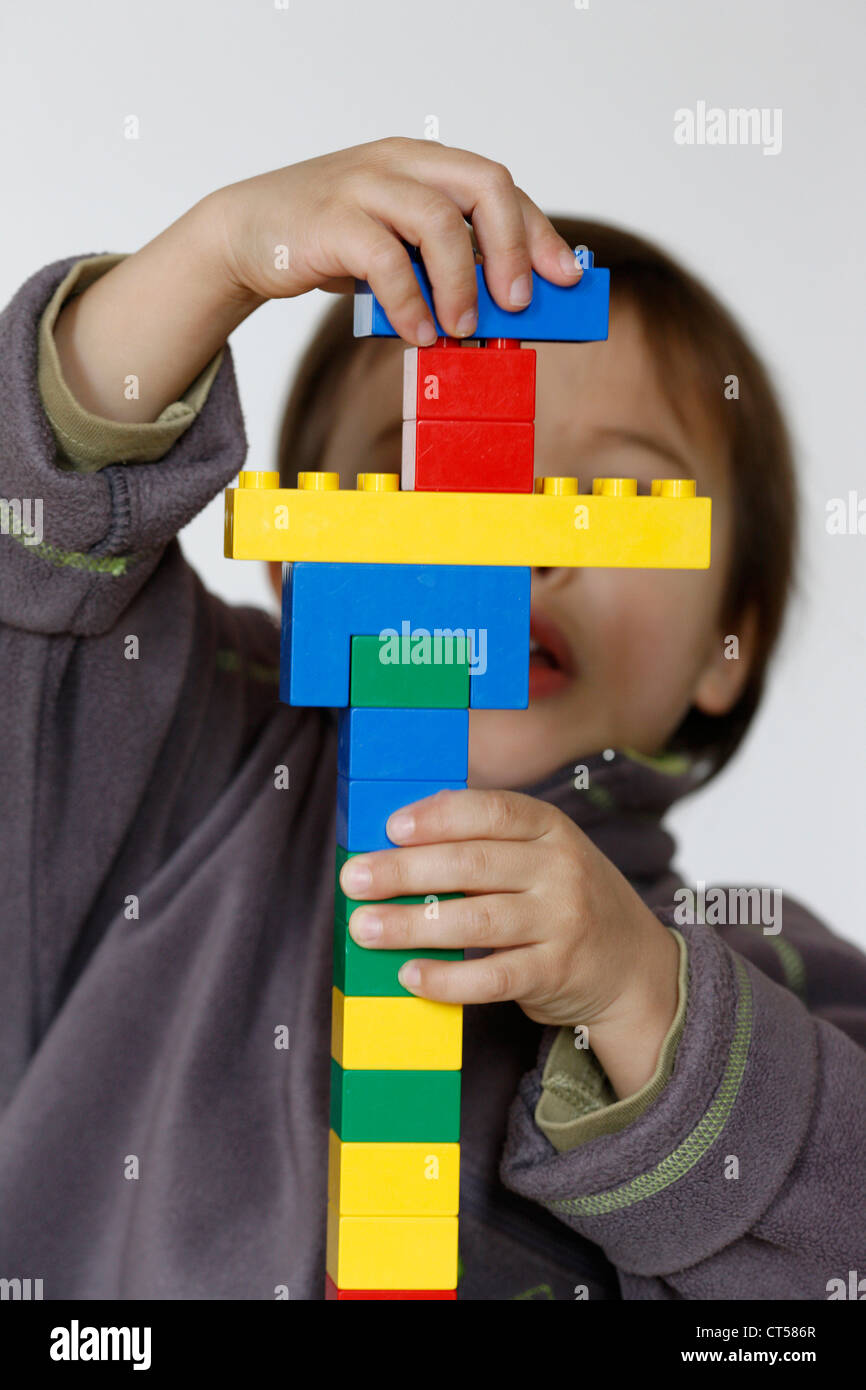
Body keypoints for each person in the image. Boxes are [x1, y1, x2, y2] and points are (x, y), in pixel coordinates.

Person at [0, 138, 863, 1300]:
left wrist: (639, 1001)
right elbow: (34, 549)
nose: (513, 541)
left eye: (610, 490)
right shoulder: (173, 748)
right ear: (300, 554)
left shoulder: (779, 990)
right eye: (429, 474)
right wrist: (213, 257)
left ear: (732, 640)